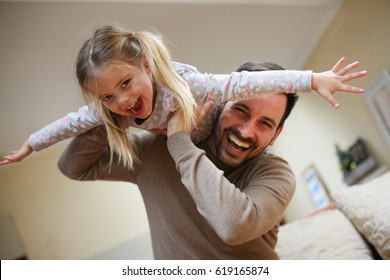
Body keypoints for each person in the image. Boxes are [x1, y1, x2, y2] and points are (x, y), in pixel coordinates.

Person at [57, 61, 363, 259]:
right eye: (240, 110)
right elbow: (73, 167)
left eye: (265, 124)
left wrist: (180, 142)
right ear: (218, 104)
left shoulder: (274, 172)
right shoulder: (151, 150)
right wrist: (117, 113)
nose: (246, 131)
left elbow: (234, 226)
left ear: (276, 134)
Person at [0, 23, 367, 168]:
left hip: (210, 132)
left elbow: (238, 85)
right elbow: (68, 124)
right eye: (108, 97)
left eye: (125, 84)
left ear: (145, 65)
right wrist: (31, 144)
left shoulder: (185, 85)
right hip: (187, 146)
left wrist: (311, 78)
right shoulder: (111, 113)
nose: (122, 102)